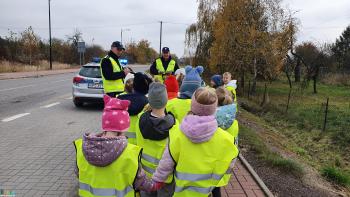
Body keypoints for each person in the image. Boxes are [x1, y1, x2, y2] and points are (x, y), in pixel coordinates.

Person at [152, 87, 239, 197]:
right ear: (214, 108)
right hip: (206, 192)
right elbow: (230, 162)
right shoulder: (226, 139)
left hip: (180, 193)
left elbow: (165, 165)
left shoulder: (177, 134)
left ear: (192, 105)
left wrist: (156, 182)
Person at [74, 95, 163, 197]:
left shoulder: (82, 148)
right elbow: (141, 182)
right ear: (124, 128)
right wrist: (155, 185)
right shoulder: (130, 153)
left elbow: (79, 174)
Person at [136, 82, 178, 197]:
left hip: (146, 175)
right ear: (166, 101)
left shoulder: (140, 119)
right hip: (166, 176)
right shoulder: (174, 124)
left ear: (150, 100)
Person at [118, 72, 152, 145]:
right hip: (141, 143)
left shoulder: (119, 101)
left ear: (134, 86)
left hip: (122, 142)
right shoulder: (148, 104)